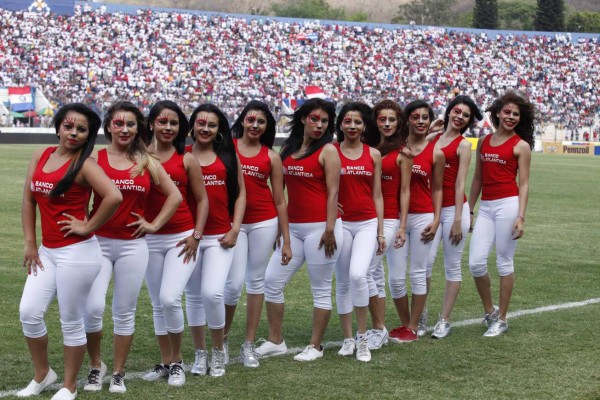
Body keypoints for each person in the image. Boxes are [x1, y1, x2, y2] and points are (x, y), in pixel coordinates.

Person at [18, 103, 122, 400]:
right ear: (59, 126)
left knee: (71, 319)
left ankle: (69, 385)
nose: (73, 133)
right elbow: (29, 200)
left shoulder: (85, 164)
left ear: (89, 135)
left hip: (78, 254)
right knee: (29, 313)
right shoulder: (42, 154)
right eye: (68, 126)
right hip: (47, 251)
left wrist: (89, 226)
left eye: (81, 129)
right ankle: (43, 374)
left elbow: (114, 196)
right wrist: (29, 242)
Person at [82, 101, 182, 394]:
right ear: (109, 126)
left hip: (133, 247)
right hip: (97, 244)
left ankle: (118, 373)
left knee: (124, 311)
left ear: (139, 128)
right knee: (93, 308)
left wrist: (153, 224)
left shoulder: (147, 162)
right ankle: (95, 366)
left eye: (130, 124)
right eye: (118, 123)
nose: (124, 129)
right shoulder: (94, 159)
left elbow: (174, 196)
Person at [256, 98, 342, 362]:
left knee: (320, 288)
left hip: (321, 229)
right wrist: (282, 231)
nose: (319, 124)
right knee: (271, 281)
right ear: (303, 118)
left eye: (325, 121)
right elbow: (279, 193)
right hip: (292, 228)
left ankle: (315, 346)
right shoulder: (289, 149)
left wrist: (329, 229)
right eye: (314, 118)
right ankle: (276, 341)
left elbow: (333, 192)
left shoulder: (328, 150)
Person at [142, 100, 209, 386]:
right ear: (152, 124)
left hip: (181, 238)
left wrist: (196, 235)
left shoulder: (187, 158)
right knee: (158, 303)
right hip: (147, 239)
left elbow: (202, 200)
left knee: (170, 298)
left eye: (173, 123)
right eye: (162, 121)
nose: (168, 127)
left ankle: (178, 361)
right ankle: (166, 361)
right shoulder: (139, 156)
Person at [222, 100, 292, 368]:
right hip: (233, 223)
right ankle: (223, 341)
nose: (254, 125)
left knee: (256, 282)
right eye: (250, 120)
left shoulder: (271, 157)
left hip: (264, 222)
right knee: (232, 285)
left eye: (261, 122)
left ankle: (248, 344)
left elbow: (280, 200)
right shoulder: (227, 149)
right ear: (242, 121)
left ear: (267, 127)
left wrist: (285, 238)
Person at [185, 103, 246, 377]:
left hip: (221, 236)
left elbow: (241, 194)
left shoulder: (228, 157)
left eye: (211, 125)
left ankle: (218, 350)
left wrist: (236, 228)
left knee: (213, 293)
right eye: (201, 123)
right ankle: (200, 353)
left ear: (219, 129)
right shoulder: (182, 155)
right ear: (192, 126)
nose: (205, 129)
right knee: (194, 296)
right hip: (189, 237)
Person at [468, 91, 534, 337]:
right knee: (475, 262)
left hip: (508, 205)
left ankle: (503, 319)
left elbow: (524, 183)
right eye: (507, 112)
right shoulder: (484, 141)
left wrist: (521, 216)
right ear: (497, 112)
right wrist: (470, 209)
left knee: (504, 262)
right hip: (486, 207)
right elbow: (477, 178)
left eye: (516, 114)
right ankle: (490, 311)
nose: (511, 117)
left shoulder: (521, 146)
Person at [425, 95, 482, 339]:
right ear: (449, 112)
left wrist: (459, 218)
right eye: (457, 111)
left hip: (453, 210)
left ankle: (444, 320)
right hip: (430, 208)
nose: (460, 117)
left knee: (452, 267)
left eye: (466, 115)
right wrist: (429, 132)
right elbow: (413, 152)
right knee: (423, 265)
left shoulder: (463, 145)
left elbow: (461, 184)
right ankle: (421, 314)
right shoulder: (434, 138)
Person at [388, 100, 444, 343]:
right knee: (396, 277)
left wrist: (437, 219)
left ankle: (412, 327)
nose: (420, 121)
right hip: (395, 217)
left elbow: (438, 189)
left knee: (418, 272)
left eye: (425, 117)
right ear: (407, 120)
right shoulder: (395, 147)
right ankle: (404, 323)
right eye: (415, 117)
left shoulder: (436, 153)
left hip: (423, 216)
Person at [334, 102, 385, 363]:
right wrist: (329, 205)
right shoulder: (330, 151)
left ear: (364, 126)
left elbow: (377, 194)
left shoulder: (373, 154)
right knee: (342, 281)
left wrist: (380, 231)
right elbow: (320, 186)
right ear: (340, 123)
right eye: (347, 121)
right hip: (340, 223)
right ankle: (348, 339)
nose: (352, 126)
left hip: (366, 223)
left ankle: (363, 337)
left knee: (358, 275)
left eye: (357, 122)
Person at [361, 99, 412, 350]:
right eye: (383, 119)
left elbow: (405, 192)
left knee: (368, 268)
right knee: (376, 273)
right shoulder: (368, 148)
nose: (387, 123)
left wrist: (402, 226)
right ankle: (377, 328)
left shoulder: (403, 153)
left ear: (399, 122)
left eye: (392, 119)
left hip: (390, 218)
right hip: (368, 216)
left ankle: (378, 327)